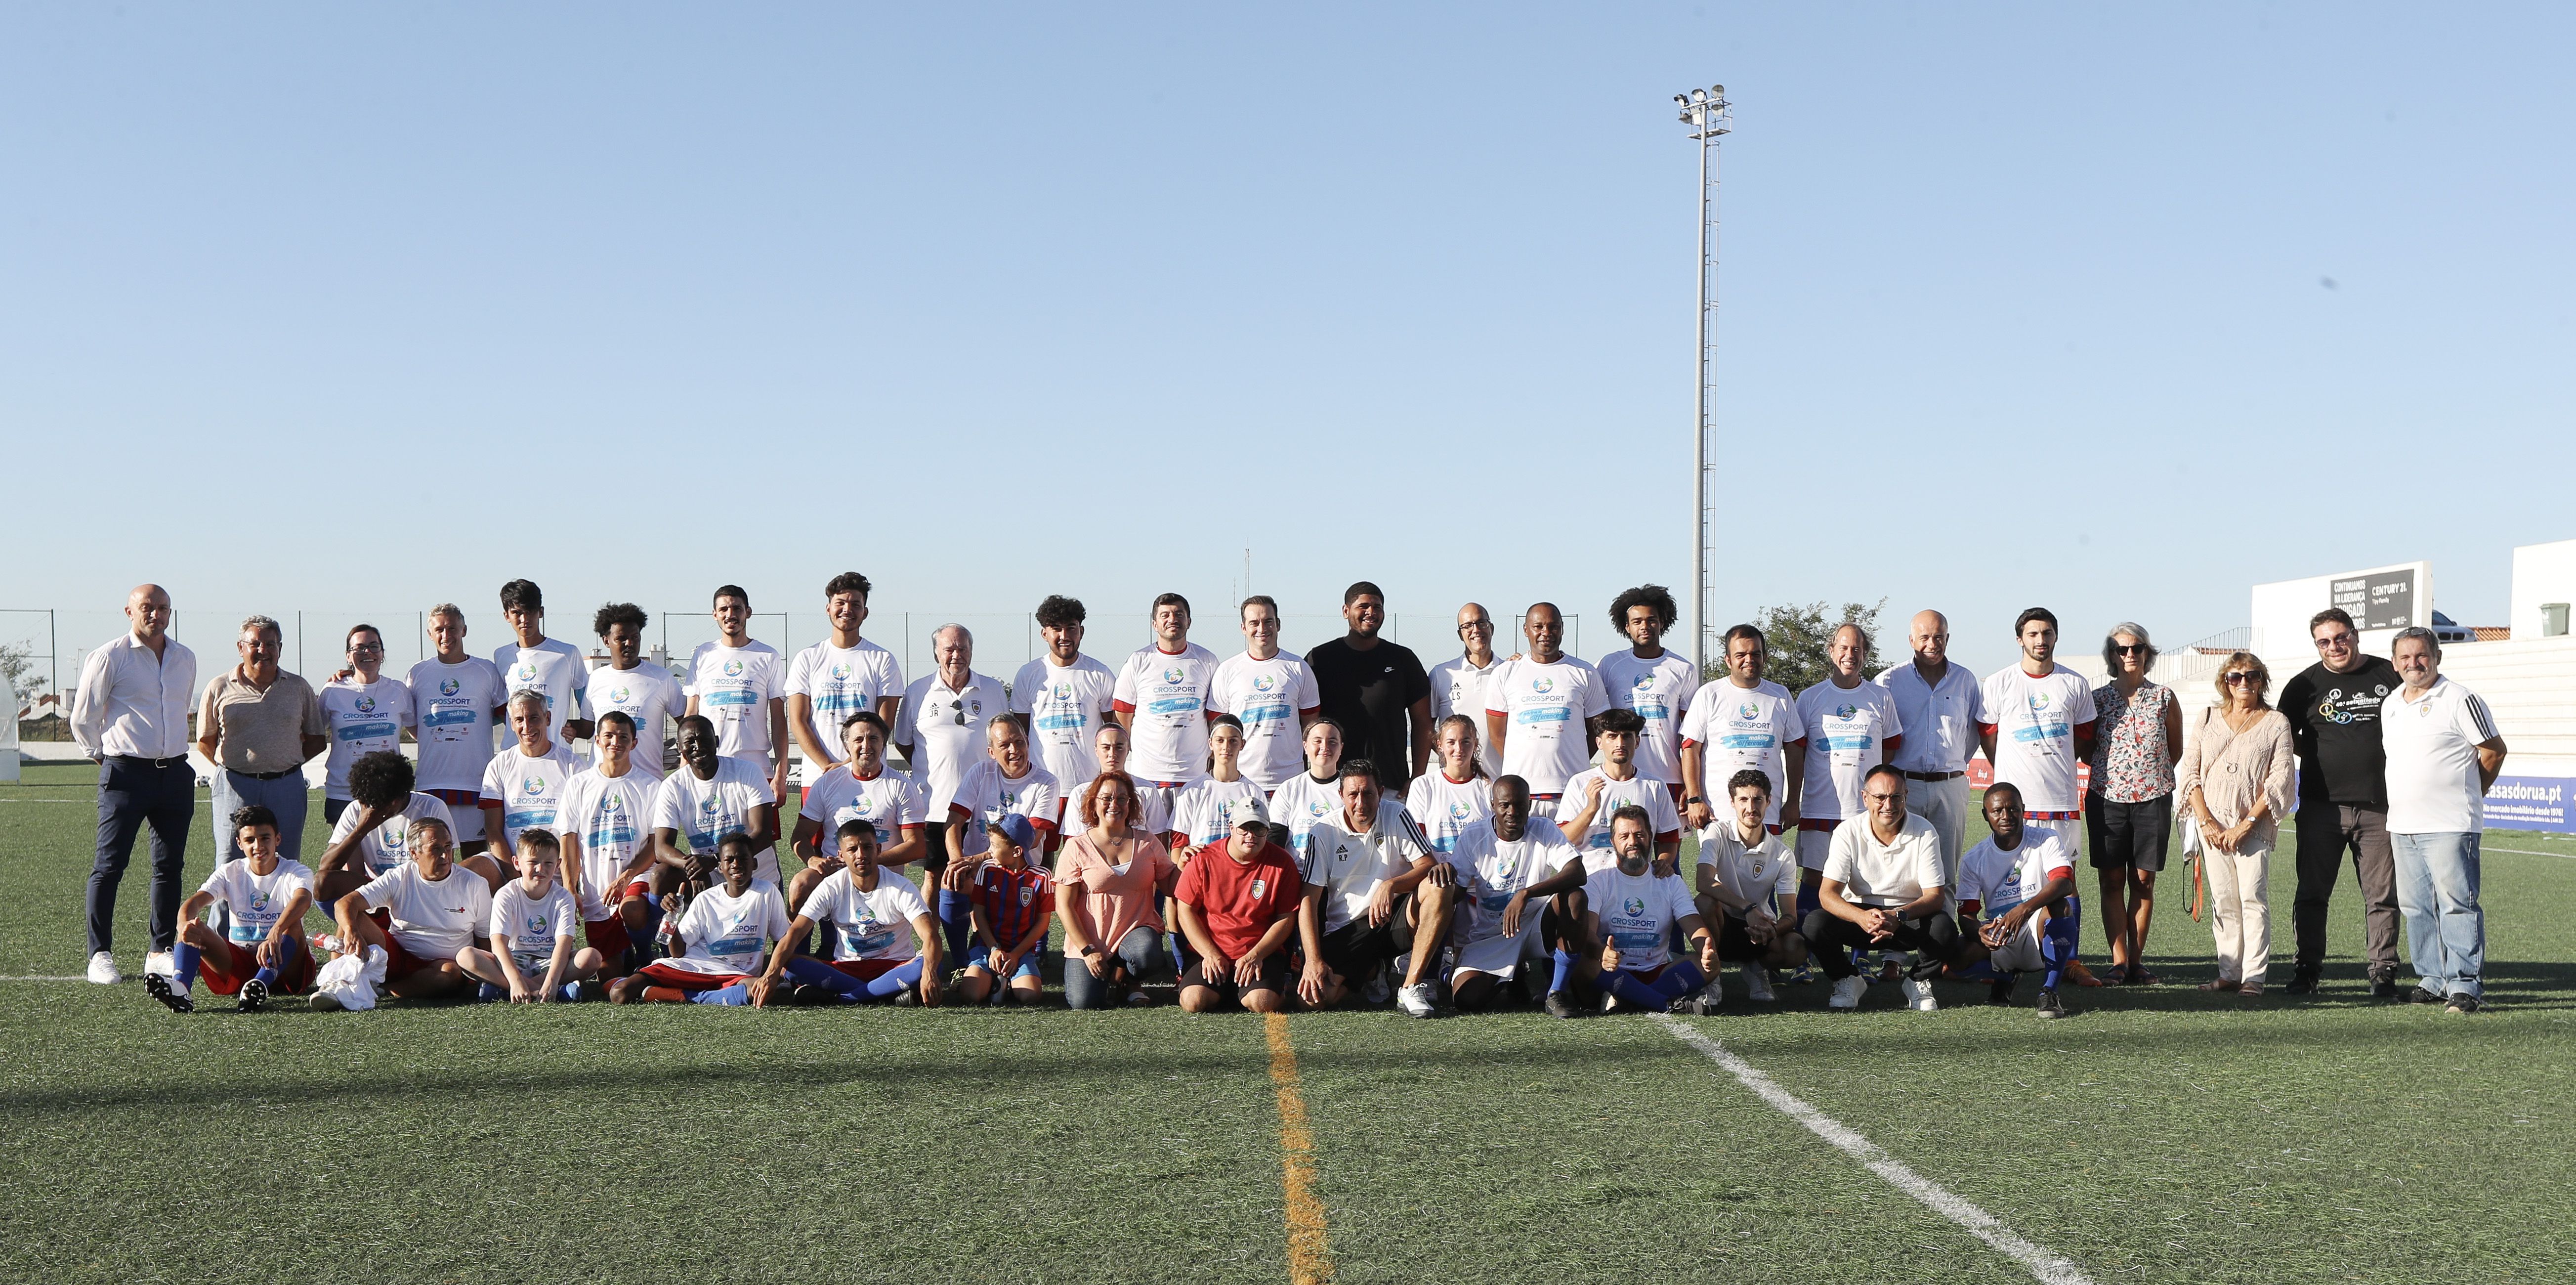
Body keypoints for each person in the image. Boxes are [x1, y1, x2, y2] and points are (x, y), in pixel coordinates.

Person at [2275, 607, 2406, 997]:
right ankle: (2306, 972)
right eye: (2324, 641)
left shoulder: (2388, 674)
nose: (2334, 646)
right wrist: (2319, 755)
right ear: (2316, 645)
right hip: (2322, 807)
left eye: (2340, 637)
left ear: (2355, 635)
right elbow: (2283, 735)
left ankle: (2382, 974)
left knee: (2381, 897)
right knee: (2311, 894)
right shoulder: (2302, 685)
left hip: (2380, 807)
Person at [73, 584, 198, 984]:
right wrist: (104, 756)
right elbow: (83, 718)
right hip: (126, 774)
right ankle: (99, 955)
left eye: (163, 608)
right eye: (147, 607)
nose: (155, 614)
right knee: (109, 866)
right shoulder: (109, 656)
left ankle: (160, 950)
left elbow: (179, 709)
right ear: (129, 612)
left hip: (175, 774)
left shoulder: (185, 658)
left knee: (169, 867)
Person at [2378, 627, 2507, 1015]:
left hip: (2449, 824)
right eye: (2405, 657)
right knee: (2416, 907)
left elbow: (2493, 751)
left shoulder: (2459, 699)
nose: (2413, 664)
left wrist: (2470, 793)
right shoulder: (2391, 703)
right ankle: (2433, 980)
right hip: (2402, 824)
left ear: (2437, 657)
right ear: (2394, 663)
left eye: (2421, 655)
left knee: (2456, 906)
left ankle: (2465, 986)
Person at [2176, 652, 2294, 998]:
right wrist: (2206, 821)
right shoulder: (2207, 717)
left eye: (2252, 676)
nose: (2244, 682)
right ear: (2224, 682)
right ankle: (2229, 972)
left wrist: (2246, 824)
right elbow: (2190, 772)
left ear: (2262, 681)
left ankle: (2254, 977)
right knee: (2223, 899)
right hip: (2211, 825)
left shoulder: (2276, 722)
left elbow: (2281, 778)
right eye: (2235, 677)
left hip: (2253, 825)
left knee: (2252, 898)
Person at [1292, 760, 1445, 1015]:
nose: (1361, 803)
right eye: (1353, 794)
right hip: (1349, 929)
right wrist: (1313, 960)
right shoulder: (1323, 832)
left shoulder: (1397, 814)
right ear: (1341, 795)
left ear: (1381, 793)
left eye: (1368, 793)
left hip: (1394, 918)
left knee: (1439, 887)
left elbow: (1428, 865)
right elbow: (1308, 900)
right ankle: (1373, 970)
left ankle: (1410, 987)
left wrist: (1391, 885)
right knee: (1312, 1001)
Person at [1805, 766, 1959, 1012]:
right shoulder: (1847, 831)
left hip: (1906, 916)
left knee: (1944, 928)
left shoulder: (1924, 831)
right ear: (1865, 798)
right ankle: (1847, 978)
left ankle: (1918, 980)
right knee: (1814, 924)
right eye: (1880, 797)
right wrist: (1861, 917)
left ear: (1906, 796)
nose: (1889, 805)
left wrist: (1899, 916)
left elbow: (1935, 897)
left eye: (1896, 797)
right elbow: (1827, 894)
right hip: (1863, 915)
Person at [142, 805, 315, 1014]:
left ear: (277, 839)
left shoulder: (295, 871)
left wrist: (276, 931)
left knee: (292, 924)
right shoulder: (231, 871)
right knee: (192, 926)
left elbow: (303, 899)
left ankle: (260, 984)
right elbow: (194, 902)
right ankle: (181, 989)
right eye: (250, 840)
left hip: (287, 967)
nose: (258, 846)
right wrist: (183, 927)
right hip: (241, 965)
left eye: (265, 838)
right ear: (240, 844)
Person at [1789, 625, 1904, 927]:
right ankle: (1806, 945)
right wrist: (1793, 800)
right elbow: (1797, 752)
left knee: (1862, 881)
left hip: (1864, 810)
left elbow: (1891, 746)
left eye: (1856, 649)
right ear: (1831, 651)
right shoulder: (1810, 698)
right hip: (1820, 806)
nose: (1849, 655)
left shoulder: (1880, 698)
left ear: (1865, 654)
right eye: (1843, 648)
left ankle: (1860, 950)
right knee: (1814, 877)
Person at [2087, 623, 2182, 985]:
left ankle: (2137, 963)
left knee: (2143, 881)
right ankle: (2118, 961)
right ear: (2111, 655)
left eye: (2137, 648)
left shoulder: (2164, 697)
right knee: (2111, 880)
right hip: (2106, 799)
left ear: (2147, 653)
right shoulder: (2097, 699)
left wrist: (2146, 777)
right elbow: (2087, 750)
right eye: (2121, 649)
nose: (2129, 654)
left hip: (2153, 800)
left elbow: (2174, 750)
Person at [321, 816, 502, 1007]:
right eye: (435, 848)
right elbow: (344, 903)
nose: (445, 855)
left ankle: (379, 989)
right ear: (415, 853)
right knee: (351, 916)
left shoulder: (475, 884)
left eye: (448, 847)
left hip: (442, 966)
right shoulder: (400, 877)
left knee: (450, 975)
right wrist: (352, 931)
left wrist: (488, 978)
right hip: (396, 957)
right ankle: (334, 984)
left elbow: (485, 940)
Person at [1439, 774, 1583, 1012]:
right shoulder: (1474, 835)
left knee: (1575, 897)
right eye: (1505, 805)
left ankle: (1557, 992)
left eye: (1519, 805)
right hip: (1493, 935)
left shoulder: (1544, 828)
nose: (1512, 812)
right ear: (1493, 805)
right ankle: (1507, 975)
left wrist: (1526, 893)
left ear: (1530, 805)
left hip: (1536, 926)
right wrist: (1443, 877)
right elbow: (1457, 894)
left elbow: (1577, 872)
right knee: (1467, 1000)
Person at [194, 614, 328, 867]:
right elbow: (205, 740)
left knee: (286, 862)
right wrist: (235, 768)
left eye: (271, 644)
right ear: (240, 647)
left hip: (286, 786)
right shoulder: (219, 687)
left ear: (280, 648)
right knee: (230, 863)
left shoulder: (299, 687)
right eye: (255, 644)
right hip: (234, 786)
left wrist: (283, 761)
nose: (263, 650)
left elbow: (316, 739)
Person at [761, 822, 943, 1007]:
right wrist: (770, 974)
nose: (861, 855)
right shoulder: (831, 886)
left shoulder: (901, 887)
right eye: (852, 850)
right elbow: (795, 932)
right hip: (847, 969)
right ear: (841, 856)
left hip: (894, 966)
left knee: (929, 964)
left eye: (867, 847)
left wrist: (929, 972)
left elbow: (931, 935)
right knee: (789, 965)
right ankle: (887, 994)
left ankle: (842, 998)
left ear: (878, 849)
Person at [612, 834, 800, 1006]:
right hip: (693, 966)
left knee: (759, 991)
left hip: (734, 973)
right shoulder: (706, 898)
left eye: (743, 859)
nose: (736, 865)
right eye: (729, 860)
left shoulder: (766, 892)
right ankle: (701, 995)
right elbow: (678, 952)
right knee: (620, 993)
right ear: (721, 867)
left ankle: (677, 995)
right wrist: (671, 918)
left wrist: (773, 974)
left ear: (755, 864)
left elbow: (782, 939)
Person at [939, 716, 1063, 971]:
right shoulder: (980, 772)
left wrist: (976, 860)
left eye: (1019, 742)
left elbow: (1030, 840)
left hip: (1020, 874)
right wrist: (957, 863)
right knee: (952, 880)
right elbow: (952, 824)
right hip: (979, 870)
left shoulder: (1046, 782)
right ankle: (962, 962)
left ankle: (1028, 947)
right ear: (991, 752)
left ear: (1028, 742)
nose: (1014, 750)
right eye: (1005, 745)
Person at [1572, 807, 1721, 1016]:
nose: (1632, 841)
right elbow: (1587, 934)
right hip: (1611, 969)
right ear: (1613, 841)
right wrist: (1602, 953)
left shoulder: (1671, 882)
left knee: (1708, 966)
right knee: (1583, 962)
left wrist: (1708, 953)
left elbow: (1695, 926)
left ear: (1650, 837)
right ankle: (1665, 1004)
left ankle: (1626, 999)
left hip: (1656, 972)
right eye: (1624, 836)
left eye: (1639, 834)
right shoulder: (1598, 881)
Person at [1949, 783, 2079, 1020]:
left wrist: (2024, 910)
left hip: (2037, 926)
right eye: (1997, 811)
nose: (2006, 816)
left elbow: (2064, 884)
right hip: (2000, 932)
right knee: (1953, 958)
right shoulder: (1974, 858)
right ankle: (2004, 978)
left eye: (2013, 809)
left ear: (2023, 810)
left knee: (2060, 907)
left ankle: (2049, 991)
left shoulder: (2046, 839)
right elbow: (1967, 916)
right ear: (1986, 815)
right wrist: (1980, 933)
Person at [1978, 608, 2097, 865]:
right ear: (2020, 639)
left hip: (2061, 801)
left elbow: (2085, 733)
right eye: (2033, 634)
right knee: (2013, 878)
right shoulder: (1998, 682)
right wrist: (2006, 765)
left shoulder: (2075, 683)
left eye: (2047, 633)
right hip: (2015, 804)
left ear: (2056, 637)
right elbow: (1987, 733)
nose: (2041, 640)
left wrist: (2058, 757)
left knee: (2064, 878)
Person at [1056, 770, 1183, 1009]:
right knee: (1084, 1003)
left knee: (1147, 955)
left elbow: (1170, 886)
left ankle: (1127, 978)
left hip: (1135, 931)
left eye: (1122, 799)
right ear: (1094, 804)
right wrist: (1087, 950)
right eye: (1106, 798)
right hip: (1091, 940)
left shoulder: (1147, 842)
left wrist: (1184, 863)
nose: (1114, 804)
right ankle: (1112, 977)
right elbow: (1064, 906)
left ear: (1130, 804)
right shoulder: (1076, 847)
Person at [896, 623, 1006, 899]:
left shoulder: (993, 689)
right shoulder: (917, 691)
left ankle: (977, 929)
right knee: (934, 877)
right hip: (935, 805)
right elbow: (904, 742)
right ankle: (930, 930)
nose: (957, 655)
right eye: (949, 649)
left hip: (984, 807)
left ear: (971, 652)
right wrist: (935, 765)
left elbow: (1005, 737)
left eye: (963, 649)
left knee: (983, 876)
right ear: (936, 653)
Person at [1876, 610, 1985, 884]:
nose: (1932, 644)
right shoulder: (1889, 681)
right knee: (1900, 871)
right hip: (1904, 787)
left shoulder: (1965, 680)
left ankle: (1945, 915)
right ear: (1911, 640)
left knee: (1946, 873)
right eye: (1925, 637)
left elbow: (1972, 734)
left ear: (1948, 638)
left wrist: (1951, 766)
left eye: (1939, 637)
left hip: (1950, 787)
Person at [554, 712, 663, 970]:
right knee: (609, 975)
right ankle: (626, 954)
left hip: (636, 877)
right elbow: (568, 840)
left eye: (624, 737)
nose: (616, 742)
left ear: (634, 743)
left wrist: (627, 877)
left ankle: (645, 952)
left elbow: (656, 843)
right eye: (609, 736)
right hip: (597, 890)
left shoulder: (650, 785)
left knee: (632, 910)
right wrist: (570, 888)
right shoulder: (579, 785)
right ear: (597, 741)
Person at [789, 712, 928, 912]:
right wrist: (812, 860)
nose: (866, 746)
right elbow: (800, 835)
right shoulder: (828, 783)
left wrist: (869, 860)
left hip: (882, 875)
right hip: (835, 875)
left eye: (874, 739)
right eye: (858, 740)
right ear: (847, 746)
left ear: (883, 743)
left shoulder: (901, 786)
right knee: (801, 884)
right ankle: (796, 934)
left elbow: (917, 847)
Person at [1679, 624, 1808, 839]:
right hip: (1718, 814)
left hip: (1767, 812)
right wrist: (1695, 799)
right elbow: (1690, 749)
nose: (1749, 660)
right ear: (1728, 660)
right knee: (1718, 863)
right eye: (1741, 655)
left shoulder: (1781, 696)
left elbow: (1795, 750)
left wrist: (1793, 801)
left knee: (1768, 862)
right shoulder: (1709, 694)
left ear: (1765, 657)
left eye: (1755, 654)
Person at [1692, 770, 1810, 1005]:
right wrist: (1748, 909)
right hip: (1723, 924)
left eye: (1757, 800)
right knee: (1704, 902)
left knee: (1796, 947)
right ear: (1732, 802)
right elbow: (1703, 882)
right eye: (1743, 800)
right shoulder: (1717, 832)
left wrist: (1771, 930)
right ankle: (1712, 976)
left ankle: (1756, 969)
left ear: (1769, 801)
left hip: (1758, 931)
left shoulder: (1782, 854)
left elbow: (1790, 916)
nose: (1751, 808)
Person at [1306, 582, 1435, 791]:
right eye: (1363, 606)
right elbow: (1307, 722)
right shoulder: (1320, 659)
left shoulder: (1403, 659)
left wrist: (1417, 778)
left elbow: (1423, 722)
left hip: (1390, 785)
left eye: (1377, 607)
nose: (1371, 612)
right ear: (1346, 611)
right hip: (1332, 786)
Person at [783, 571, 906, 778]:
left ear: (865, 612)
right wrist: (828, 766)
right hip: (818, 775)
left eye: (856, 605)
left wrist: (849, 765)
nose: (847, 609)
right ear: (828, 609)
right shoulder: (807, 657)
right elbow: (798, 722)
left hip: (867, 774)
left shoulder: (882, 659)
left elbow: (884, 725)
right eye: (840, 603)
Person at [1174, 820, 1304, 1015]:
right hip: (1211, 951)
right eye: (1245, 828)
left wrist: (1256, 955)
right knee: (1193, 1001)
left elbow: (1286, 918)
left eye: (1259, 829)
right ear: (1232, 827)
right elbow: (1185, 910)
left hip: (1260, 953)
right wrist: (1210, 954)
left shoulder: (1283, 862)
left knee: (1262, 1003)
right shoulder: (1203, 858)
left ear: (1268, 831)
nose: (1251, 835)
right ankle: (1228, 989)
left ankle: (1263, 990)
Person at [1483, 602, 1610, 802]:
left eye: (1553, 627)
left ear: (1562, 629)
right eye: (1538, 626)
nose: (1546, 633)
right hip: (1522, 793)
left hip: (1571, 791)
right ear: (1526, 630)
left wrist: (1574, 760)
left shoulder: (1585, 672)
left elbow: (1598, 731)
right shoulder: (1505, 673)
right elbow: (1497, 735)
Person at [408, 604, 509, 852]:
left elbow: (506, 715)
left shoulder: (486, 670)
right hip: (431, 784)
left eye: (452, 628)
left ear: (464, 630)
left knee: (476, 858)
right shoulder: (418, 673)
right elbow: (412, 723)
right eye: (439, 630)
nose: (446, 635)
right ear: (430, 634)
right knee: (432, 858)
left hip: (476, 782)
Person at [649, 716, 782, 905]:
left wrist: (715, 859)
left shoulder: (748, 771)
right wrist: (693, 867)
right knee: (661, 875)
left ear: (717, 741)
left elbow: (763, 833)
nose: (698, 747)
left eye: (704, 739)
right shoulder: (673, 786)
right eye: (690, 742)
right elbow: (661, 849)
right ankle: (657, 925)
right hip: (709, 876)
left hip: (752, 873)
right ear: (680, 748)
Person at [1111, 593, 1220, 822]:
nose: (1173, 619)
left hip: (1193, 776)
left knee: (1190, 842)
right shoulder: (1138, 660)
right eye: (1165, 615)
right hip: (1148, 776)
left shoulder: (1207, 660)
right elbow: (1122, 717)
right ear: (1155, 623)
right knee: (1149, 842)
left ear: (1189, 621)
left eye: (1179, 614)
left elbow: (1215, 717)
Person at [313, 750, 462, 912]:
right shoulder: (358, 810)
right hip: (376, 893)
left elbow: (444, 866)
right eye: (370, 803)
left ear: (397, 798)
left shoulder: (431, 807)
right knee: (322, 882)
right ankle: (359, 924)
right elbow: (326, 867)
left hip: (419, 893)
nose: (374, 808)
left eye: (381, 804)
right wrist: (361, 830)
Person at [1208, 596, 1322, 793]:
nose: (1262, 629)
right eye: (1254, 623)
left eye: (1268, 621)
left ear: (1278, 624)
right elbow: (1216, 728)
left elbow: (1311, 727)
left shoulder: (1298, 668)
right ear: (1243, 628)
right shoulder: (1227, 670)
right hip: (1241, 781)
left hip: (1289, 781)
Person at [685, 584, 790, 798]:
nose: (730, 615)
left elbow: (779, 719)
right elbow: (691, 715)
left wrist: (781, 773)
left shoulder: (768, 656)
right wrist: (684, 763)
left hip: (756, 770)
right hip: (709, 767)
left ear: (748, 612)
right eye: (724, 609)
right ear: (715, 614)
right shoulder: (703, 654)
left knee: (760, 823)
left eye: (737, 609)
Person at [1595, 585, 1698, 798]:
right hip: (1620, 776)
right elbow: (1579, 689)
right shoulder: (1609, 665)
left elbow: (1692, 736)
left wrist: (1691, 785)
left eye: (1651, 620)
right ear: (1627, 627)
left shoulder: (1683, 669)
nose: (1645, 627)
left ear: (1662, 623)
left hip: (1668, 778)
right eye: (1637, 622)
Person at [477, 690, 586, 884]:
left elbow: (577, 831)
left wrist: (569, 883)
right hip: (513, 870)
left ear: (548, 718)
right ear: (512, 724)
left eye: (534, 718)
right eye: (519, 720)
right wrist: (516, 878)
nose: (527, 727)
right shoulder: (499, 765)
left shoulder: (573, 765)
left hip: (557, 873)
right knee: (470, 871)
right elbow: (493, 830)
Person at [485, 831, 608, 1003]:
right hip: (516, 961)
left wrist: (552, 981)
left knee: (592, 957)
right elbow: (498, 942)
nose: (540, 869)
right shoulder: (506, 894)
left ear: (558, 865)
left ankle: (508, 990)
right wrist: (515, 980)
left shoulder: (564, 897)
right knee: (466, 956)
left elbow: (564, 943)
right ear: (517, 863)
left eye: (548, 863)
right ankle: (539, 990)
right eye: (533, 862)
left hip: (550, 962)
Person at [1011, 595, 1118, 789]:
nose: (1064, 636)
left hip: (1088, 785)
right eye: (1056, 629)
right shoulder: (1028, 674)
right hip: (1040, 786)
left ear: (1081, 632)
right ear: (1044, 633)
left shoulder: (1100, 674)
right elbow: (1021, 732)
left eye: (1071, 628)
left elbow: (1113, 731)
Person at [1555, 708, 1683, 869]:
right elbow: (1563, 839)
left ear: (1637, 742)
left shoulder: (1654, 785)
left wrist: (1663, 863)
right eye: (1612, 736)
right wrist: (1591, 809)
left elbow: (1669, 839)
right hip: (1590, 877)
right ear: (1599, 743)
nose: (1620, 744)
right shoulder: (1580, 783)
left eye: (1627, 736)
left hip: (1636, 878)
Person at [318, 624, 413, 826]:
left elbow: (419, 732)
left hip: (389, 791)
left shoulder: (399, 690)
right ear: (348, 656)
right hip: (343, 793)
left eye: (374, 646)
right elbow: (313, 733)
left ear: (382, 653)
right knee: (346, 848)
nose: (367, 652)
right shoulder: (333, 690)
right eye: (359, 648)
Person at [954, 815, 1055, 1006]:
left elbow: (1043, 923)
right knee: (971, 996)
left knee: (1030, 996)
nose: (989, 851)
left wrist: (1016, 955)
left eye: (994, 846)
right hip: (988, 947)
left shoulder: (1042, 877)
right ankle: (992, 975)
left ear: (1017, 852)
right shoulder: (988, 869)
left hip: (1021, 950)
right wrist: (994, 949)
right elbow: (979, 913)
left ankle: (1006, 978)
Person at [585, 602, 685, 779]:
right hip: (602, 782)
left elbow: (687, 723)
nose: (629, 643)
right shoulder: (596, 678)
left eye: (635, 637)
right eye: (621, 638)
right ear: (606, 641)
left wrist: (685, 754)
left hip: (648, 783)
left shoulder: (662, 678)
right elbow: (586, 729)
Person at [493, 579, 594, 753]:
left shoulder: (567, 654)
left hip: (555, 755)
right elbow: (500, 707)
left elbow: (588, 705)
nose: (524, 619)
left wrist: (575, 729)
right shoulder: (501, 656)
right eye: (517, 613)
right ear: (507, 616)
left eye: (530, 611)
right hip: (514, 755)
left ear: (541, 612)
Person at [1171, 715, 1270, 852]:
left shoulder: (1254, 792)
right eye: (1220, 741)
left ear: (1242, 744)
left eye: (1233, 741)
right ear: (1211, 744)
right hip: (1202, 865)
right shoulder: (1192, 790)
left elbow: (1262, 843)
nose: (1226, 747)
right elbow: (1177, 847)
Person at [1428, 603, 1504, 778]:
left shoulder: (1510, 672)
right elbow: (1426, 728)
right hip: (1456, 784)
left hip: (1500, 782)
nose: (1476, 630)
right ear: (1460, 634)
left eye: (1481, 623)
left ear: (1491, 628)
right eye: (1468, 626)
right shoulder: (1441, 674)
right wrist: (1450, 756)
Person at [1403, 715, 1492, 855]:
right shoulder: (1423, 786)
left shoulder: (1489, 787)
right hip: (1435, 868)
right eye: (1451, 742)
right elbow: (1415, 841)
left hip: (1479, 868)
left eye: (1466, 742)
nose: (1459, 749)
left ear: (1475, 744)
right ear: (1440, 745)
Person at [1071, 722, 1172, 844]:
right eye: (1106, 748)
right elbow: (1073, 841)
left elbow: (1159, 836)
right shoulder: (1080, 793)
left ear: (1128, 750)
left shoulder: (1147, 790)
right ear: (1096, 751)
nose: (1112, 754)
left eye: (1119, 747)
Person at [1268, 718, 1350, 857]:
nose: (1325, 747)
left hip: (1340, 868)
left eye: (1332, 742)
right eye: (1317, 741)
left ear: (1341, 748)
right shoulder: (1288, 789)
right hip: (1298, 868)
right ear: (1305, 747)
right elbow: (1274, 841)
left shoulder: (1352, 789)